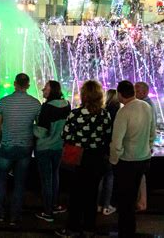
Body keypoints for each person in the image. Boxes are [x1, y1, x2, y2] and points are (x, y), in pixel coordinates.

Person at [56, 80, 111, 237]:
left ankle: (73, 228)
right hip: (97, 158)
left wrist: (78, 139)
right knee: (92, 194)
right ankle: (89, 228)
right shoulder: (104, 114)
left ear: (84, 95)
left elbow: (65, 135)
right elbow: (107, 135)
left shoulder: (76, 114)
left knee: (76, 195)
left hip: (79, 158)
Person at [0, 73, 41, 225]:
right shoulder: (35, 103)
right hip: (25, 149)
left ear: (15, 83)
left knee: (1, 180)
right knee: (20, 182)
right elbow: (38, 128)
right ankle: (15, 216)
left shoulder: (4, 101)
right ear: (28, 85)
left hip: (7, 146)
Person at [110, 80, 155, 238]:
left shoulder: (124, 112)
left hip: (127, 162)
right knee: (132, 196)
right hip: (144, 160)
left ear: (120, 94)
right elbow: (152, 132)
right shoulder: (146, 106)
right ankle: (131, 229)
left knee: (125, 201)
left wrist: (114, 160)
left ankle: (126, 232)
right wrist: (147, 148)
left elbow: (116, 143)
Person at [33, 80, 71, 222]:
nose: (43, 90)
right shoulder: (67, 104)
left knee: (46, 180)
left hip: (45, 147)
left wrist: (31, 127)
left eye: (45, 88)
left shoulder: (47, 107)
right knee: (55, 176)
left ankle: (48, 212)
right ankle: (55, 205)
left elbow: (41, 132)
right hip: (59, 147)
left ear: (51, 91)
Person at [134, 81, 156, 213]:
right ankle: (140, 202)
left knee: (140, 175)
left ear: (145, 92)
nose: (135, 93)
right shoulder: (146, 103)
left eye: (137, 91)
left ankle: (141, 203)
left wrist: (148, 143)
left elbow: (149, 126)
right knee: (139, 175)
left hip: (143, 146)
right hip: (144, 145)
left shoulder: (145, 105)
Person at [98, 89, 120, 216]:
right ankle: (106, 206)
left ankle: (98, 204)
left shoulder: (103, 111)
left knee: (100, 177)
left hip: (101, 148)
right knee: (110, 177)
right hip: (111, 149)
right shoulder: (120, 112)